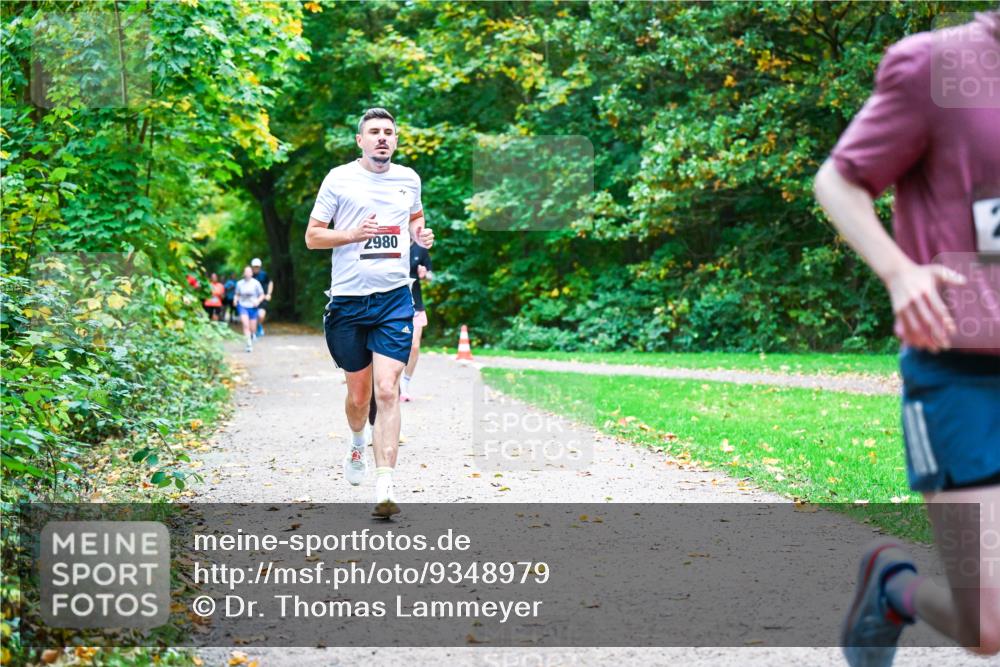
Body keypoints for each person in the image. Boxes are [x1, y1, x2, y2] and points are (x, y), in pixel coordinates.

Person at [813, 11, 1000, 665]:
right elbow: (838, 180)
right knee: (992, 626)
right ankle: (895, 588)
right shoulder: (935, 66)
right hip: (963, 375)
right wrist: (899, 271)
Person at [305, 107, 434, 518]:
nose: (382, 138)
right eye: (374, 132)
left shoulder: (408, 179)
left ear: (395, 140)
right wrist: (353, 234)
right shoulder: (338, 179)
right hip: (346, 302)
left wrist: (420, 234)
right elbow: (312, 237)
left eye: (389, 132)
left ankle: (385, 486)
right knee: (359, 398)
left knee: (387, 390)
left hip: (394, 299)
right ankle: (357, 441)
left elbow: (415, 217)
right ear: (360, 140)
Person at [400, 240, 433, 402]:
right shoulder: (393, 244)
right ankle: (391, 381)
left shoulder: (421, 249)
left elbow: (431, 276)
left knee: (414, 346)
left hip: (416, 306)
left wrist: (425, 274)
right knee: (396, 345)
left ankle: (404, 384)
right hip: (393, 306)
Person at [234, 266, 265, 353]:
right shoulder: (239, 283)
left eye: (249, 272)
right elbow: (237, 294)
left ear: (251, 273)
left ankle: (252, 335)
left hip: (253, 306)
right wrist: (235, 299)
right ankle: (248, 344)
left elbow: (262, 295)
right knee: (245, 325)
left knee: (252, 328)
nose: (247, 273)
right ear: (244, 273)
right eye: (246, 272)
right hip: (243, 306)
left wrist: (258, 301)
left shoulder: (256, 283)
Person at [251, 258, 273, 337]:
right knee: (253, 316)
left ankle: (259, 325)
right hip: (252, 299)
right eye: (254, 267)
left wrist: (269, 294)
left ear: (260, 267)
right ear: (252, 267)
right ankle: (253, 331)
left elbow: (270, 282)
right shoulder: (250, 276)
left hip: (263, 298)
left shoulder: (264, 274)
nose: (256, 268)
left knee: (261, 315)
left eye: (257, 267)